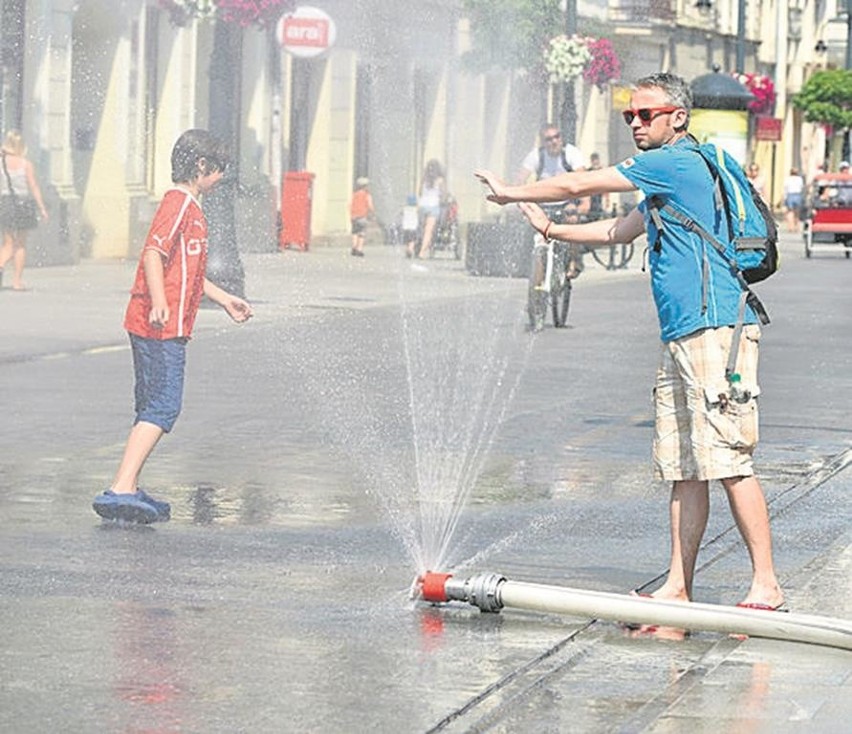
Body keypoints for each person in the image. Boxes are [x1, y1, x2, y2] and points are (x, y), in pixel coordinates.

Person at [475, 72, 784, 612]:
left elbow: (578, 184)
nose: (636, 125)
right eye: (629, 117)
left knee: (730, 459)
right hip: (684, 332)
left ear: (678, 118)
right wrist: (549, 231)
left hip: (716, 329)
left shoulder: (677, 163)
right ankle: (677, 584)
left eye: (646, 115)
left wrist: (511, 190)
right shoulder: (669, 180)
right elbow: (617, 232)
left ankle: (766, 585)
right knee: (685, 466)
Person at [92, 129, 253, 524]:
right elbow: (152, 253)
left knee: (151, 406)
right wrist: (161, 301)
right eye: (219, 171)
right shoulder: (179, 204)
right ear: (201, 167)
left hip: (162, 324)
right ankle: (121, 486)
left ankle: (127, 483)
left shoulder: (191, 209)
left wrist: (223, 298)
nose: (220, 179)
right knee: (163, 406)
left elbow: (189, 271)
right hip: (159, 325)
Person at [518, 123, 588, 279]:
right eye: (549, 139)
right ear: (543, 142)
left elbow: (584, 181)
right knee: (538, 235)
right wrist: (522, 203)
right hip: (543, 204)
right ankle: (538, 284)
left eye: (557, 137)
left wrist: (583, 204)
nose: (554, 141)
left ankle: (573, 260)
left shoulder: (571, 154)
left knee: (572, 223)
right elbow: (520, 181)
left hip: (567, 202)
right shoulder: (537, 155)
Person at [0, 130, 49, 290]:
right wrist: (42, 208)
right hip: (22, 204)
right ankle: (16, 281)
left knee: (7, 244)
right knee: (20, 244)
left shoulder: (1, 162)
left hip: (5, 203)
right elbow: (33, 186)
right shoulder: (25, 164)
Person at [417, 159, 446, 259]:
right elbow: (442, 195)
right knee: (428, 231)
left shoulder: (424, 179)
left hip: (422, 206)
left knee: (421, 228)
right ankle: (422, 252)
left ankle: (414, 246)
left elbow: (420, 192)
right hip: (433, 206)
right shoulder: (440, 180)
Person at [349, 176, 375, 257]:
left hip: (354, 216)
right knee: (361, 233)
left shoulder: (354, 194)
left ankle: (354, 247)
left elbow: (350, 204)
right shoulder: (367, 195)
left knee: (354, 232)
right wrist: (372, 212)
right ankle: (359, 249)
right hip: (362, 216)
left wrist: (351, 214)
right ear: (365, 186)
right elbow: (370, 205)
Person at [782, 167, 804, 233]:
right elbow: (801, 187)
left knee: (790, 211)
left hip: (790, 195)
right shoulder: (800, 179)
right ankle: (797, 227)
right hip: (797, 195)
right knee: (797, 212)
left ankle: (790, 227)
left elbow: (785, 189)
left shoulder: (787, 179)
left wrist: (784, 198)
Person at [401, 193, 420, 258]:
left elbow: (402, 213)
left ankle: (407, 249)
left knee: (407, 240)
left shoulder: (405, 208)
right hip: (413, 227)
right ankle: (410, 249)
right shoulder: (416, 209)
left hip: (405, 227)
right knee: (412, 240)